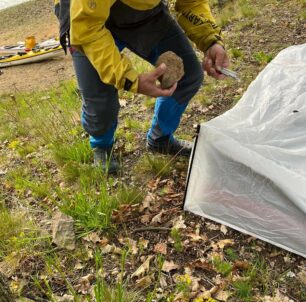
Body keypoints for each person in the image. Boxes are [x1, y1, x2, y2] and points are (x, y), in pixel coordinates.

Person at [54, 0, 229, 173]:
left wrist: (210, 40)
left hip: (142, 13)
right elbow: (88, 28)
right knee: (100, 101)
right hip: (85, 18)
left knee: (187, 74)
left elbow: (192, 2)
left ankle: (160, 138)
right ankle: (102, 146)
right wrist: (130, 80)